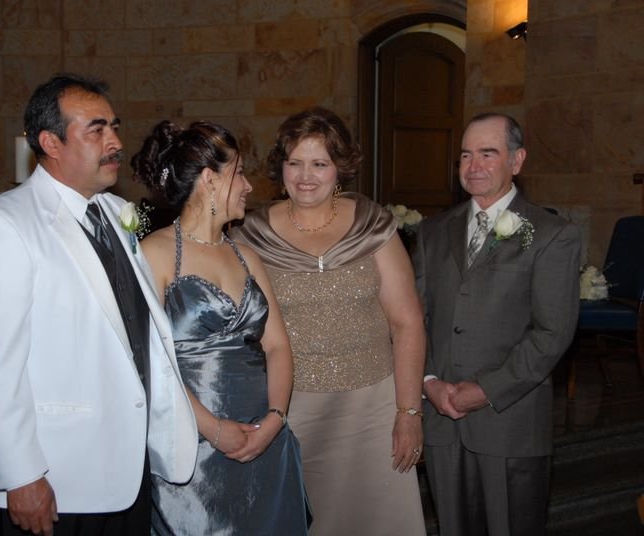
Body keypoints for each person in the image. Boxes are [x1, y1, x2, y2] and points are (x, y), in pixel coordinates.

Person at [0, 73, 197, 536]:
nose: (115, 142)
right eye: (96, 130)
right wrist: (21, 475)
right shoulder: (5, 225)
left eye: (114, 127)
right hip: (59, 476)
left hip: (128, 468)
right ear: (51, 142)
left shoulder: (116, 213)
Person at [232, 107, 426, 535]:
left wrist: (409, 411)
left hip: (373, 408)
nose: (306, 176)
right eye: (295, 162)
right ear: (280, 167)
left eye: (319, 164)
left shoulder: (373, 226)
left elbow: (407, 323)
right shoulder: (252, 235)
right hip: (291, 409)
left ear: (340, 168)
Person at [131, 120, 310, 534]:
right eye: (240, 172)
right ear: (210, 179)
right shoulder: (155, 253)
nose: (248, 186)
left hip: (264, 438)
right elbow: (152, 365)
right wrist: (211, 429)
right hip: (195, 449)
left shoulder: (248, 256)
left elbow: (278, 346)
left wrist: (275, 419)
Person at [412, 113, 581, 536]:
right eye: (466, 155)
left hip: (510, 420)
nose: (474, 166)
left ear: (517, 161)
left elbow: (552, 333)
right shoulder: (432, 232)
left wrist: (486, 389)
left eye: (488, 154)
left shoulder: (550, 234)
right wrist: (428, 381)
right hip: (442, 418)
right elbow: (415, 319)